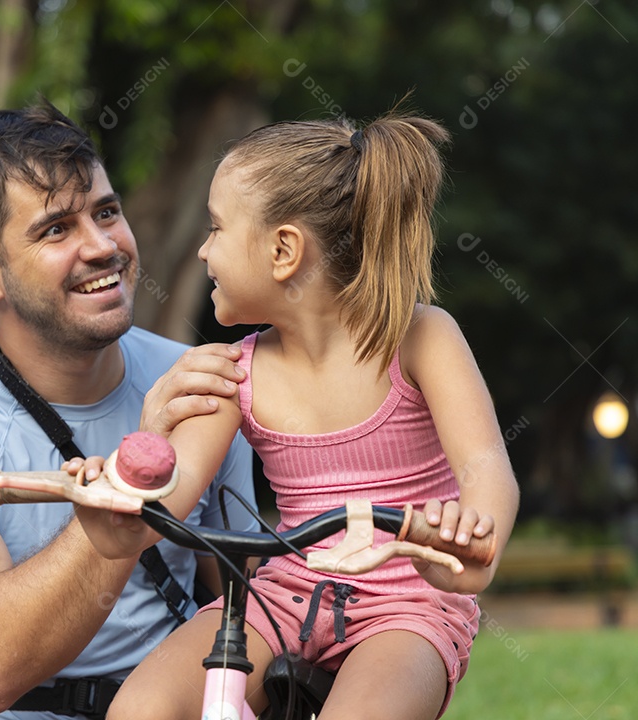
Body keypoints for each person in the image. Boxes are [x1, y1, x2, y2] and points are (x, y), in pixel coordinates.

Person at [73, 110, 520, 720]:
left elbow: (487, 467)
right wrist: (119, 495)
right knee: (141, 710)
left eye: (216, 228)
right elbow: (160, 510)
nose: (202, 249)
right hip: (287, 593)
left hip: (408, 602)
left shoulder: (419, 338)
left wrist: (471, 532)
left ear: (283, 250)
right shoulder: (231, 373)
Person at [0, 101, 259, 719]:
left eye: (107, 212)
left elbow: (246, 599)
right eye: (56, 229)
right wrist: (129, 482)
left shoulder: (199, 380)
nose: (103, 247)